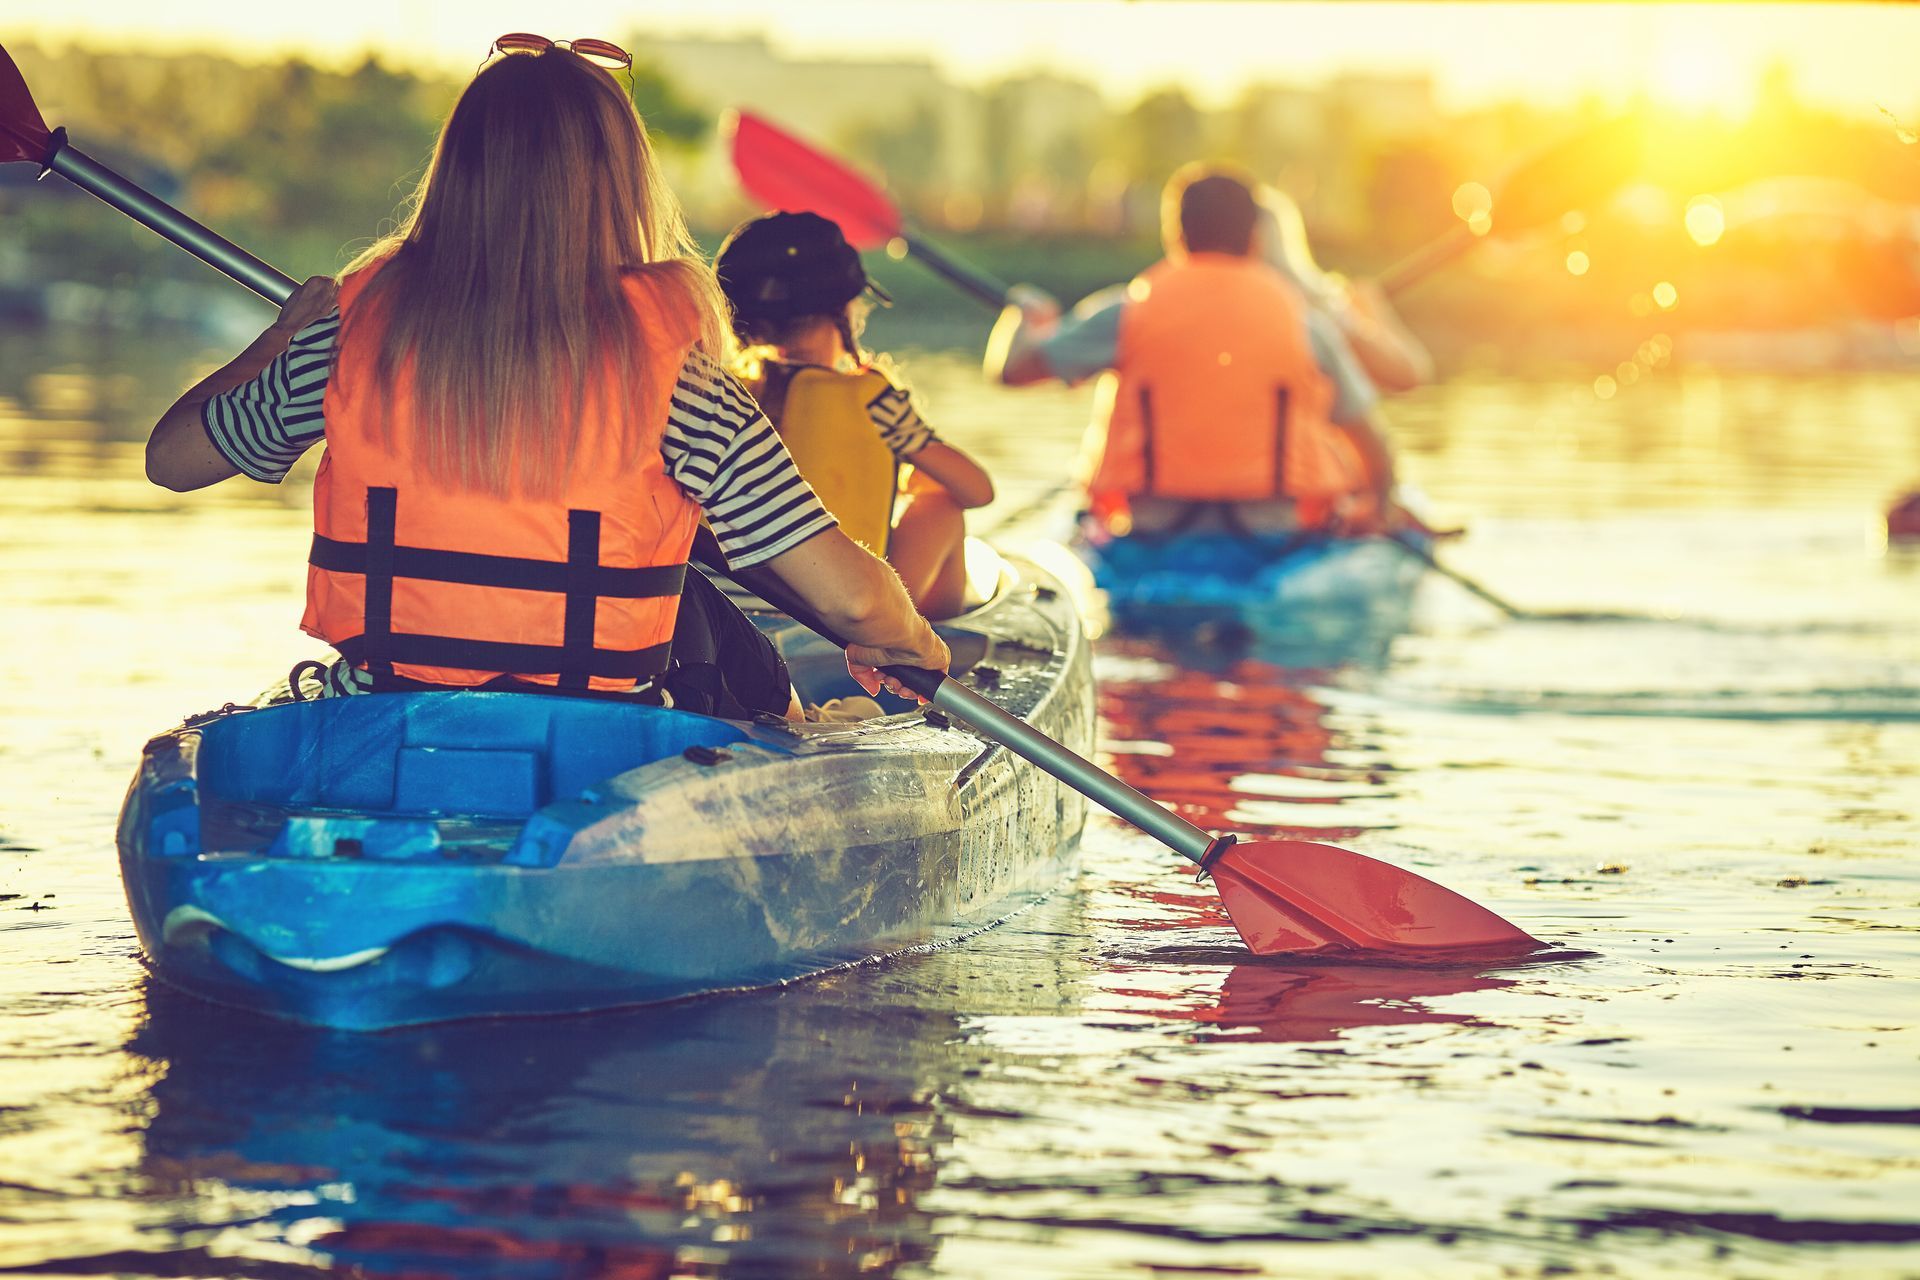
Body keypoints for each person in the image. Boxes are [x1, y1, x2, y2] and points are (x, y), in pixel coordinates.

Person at [141, 36, 947, 715]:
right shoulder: (682, 383)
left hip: (383, 714)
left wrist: (280, 340)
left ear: (458, 174)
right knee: (702, 605)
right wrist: (912, 641)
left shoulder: (351, 341)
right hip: (596, 741)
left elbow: (170, 461)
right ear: (619, 183)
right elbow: (851, 599)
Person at [984, 162, 1401, 540]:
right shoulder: (1307, 324)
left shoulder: (1126, 312)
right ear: (1255, 238)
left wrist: (1022, 317)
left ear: (1176, 235)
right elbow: (1372, 445)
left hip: (1150, 530)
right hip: (1273, 533)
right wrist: (1377, 507)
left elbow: (1012, 371)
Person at [715, 212, 994, 619]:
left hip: (734, 621)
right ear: (846, 309)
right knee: (943, 506)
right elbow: (978, 491)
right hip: (845, 623)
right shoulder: (871, 399)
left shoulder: (716, 394)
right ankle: (936, 642)